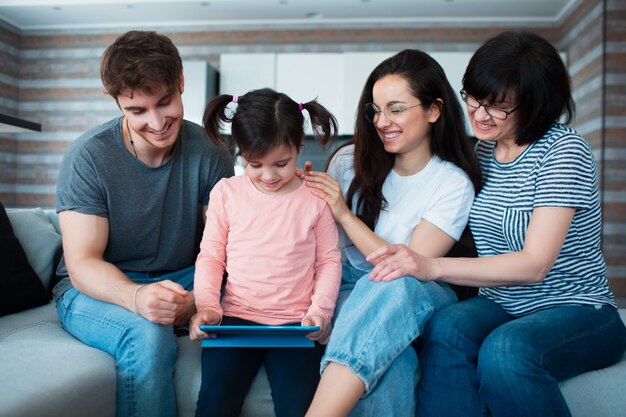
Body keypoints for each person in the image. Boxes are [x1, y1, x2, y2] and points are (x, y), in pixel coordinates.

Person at [366, 31, 626, 417]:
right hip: (503, 303)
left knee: (506, 350)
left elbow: (535, 264)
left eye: (498, 107)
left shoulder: (563, 150)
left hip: (578, 310)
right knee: (446, 327)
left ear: (536, 104)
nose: (479, 114)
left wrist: (433, 266)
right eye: (474, 98)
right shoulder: (482, 152)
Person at [53, 31, 234, 417]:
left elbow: (221, 250)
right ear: (118, 102)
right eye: (137, 111)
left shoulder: (211, 154)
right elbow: (83, 262)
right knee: (149, 334)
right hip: (95, 287)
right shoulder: (89, 157)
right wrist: (137, 298)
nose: (156, 122)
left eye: (165, 102)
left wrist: (200, 299)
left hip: (181, 275)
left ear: (181, 82)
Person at [303, 49, 482, 417]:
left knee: (392, 282)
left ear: (433, 110)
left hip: (420, 290)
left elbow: (407, 265)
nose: (382, 121)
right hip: (350, 285)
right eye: (376, 110)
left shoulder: (452, 183)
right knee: (392, 364)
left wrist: (344, 214)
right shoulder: (347, 163)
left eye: (396, 109)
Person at [189, 88, 342, 417]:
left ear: (299, 147)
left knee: (299, 404)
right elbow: (211, 257)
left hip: (295, 324)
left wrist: (321, 312)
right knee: (215, 401)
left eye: (282, 164)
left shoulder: (315, 197)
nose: (269, 176)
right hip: (235, 320)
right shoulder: (226, 193)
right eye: (255, 164)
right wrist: (206, 306)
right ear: (240, 152)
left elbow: (329, 261)